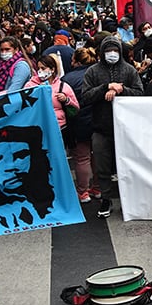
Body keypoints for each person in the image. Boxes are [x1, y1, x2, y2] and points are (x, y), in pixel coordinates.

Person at [82, 36, 144, 218]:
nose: (112, 54)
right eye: (108, 51)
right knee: (102, 167)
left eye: (115, 51)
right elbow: (85, 97)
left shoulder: (129, 70)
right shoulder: (92, 72)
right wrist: (105, 88)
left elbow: (140, 93)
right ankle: (106, 199)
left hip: (126, 130)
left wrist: (121, 90)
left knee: (128, 165)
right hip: (101, 128)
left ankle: (129, 199)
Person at [62, 47, 97, 203]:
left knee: (82, 158)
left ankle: (83, 192)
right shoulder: (98, 74)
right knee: (97, 156)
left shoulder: (68, 78)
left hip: (78, 122)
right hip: (98, 120)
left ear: (75, 60)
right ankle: (97, 188)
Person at [24, 54, 79, 133]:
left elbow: (76, 108)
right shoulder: (30, 85)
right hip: (37, 127)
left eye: (43, 68)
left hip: (59, 127)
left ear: (52, 69)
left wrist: (66, 100)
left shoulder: (63, 86)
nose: (40, 71)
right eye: (38, 68)